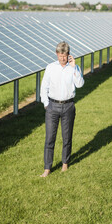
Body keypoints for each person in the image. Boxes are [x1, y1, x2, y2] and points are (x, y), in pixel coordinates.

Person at [40, 41, 84, 177]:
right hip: (52, 106)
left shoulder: (73, 68)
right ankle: (47, 167)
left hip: (68, 106)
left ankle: (65, 163)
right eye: (60, 56)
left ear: (68, 55)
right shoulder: (50, 67)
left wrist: (75, 67)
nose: (62, 59)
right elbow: (44, 86)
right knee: (49, 138)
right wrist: (46, 104)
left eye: (64, 56)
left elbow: (80, 84)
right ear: (56, 54)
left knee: (67, 137)